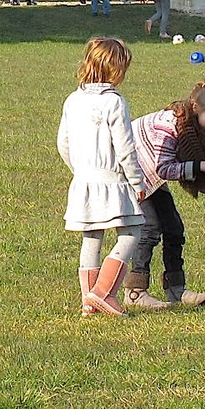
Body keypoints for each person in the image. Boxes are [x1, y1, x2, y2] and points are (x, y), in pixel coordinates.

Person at [122, 78, 205, 309]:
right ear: (196, 106)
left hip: (151, 177)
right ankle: (135, 292)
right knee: (149, 230)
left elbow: (197, 179)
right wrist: (200, 166)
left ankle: (176, 290)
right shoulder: (168, 127)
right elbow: (164, 168)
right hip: (131, 174)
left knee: (174, 228)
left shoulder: (197, 132)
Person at [57, 36, 148, 317]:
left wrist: (79, 171)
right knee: (132, 231)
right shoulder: (114, 103)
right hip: (111, 180)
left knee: (92, 238)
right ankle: (103, 292)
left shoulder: (73, 99)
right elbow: (125, 147)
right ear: (116, 69)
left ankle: (88, 303)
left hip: (82, 180)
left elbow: (63, 142)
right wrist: (137, 182)